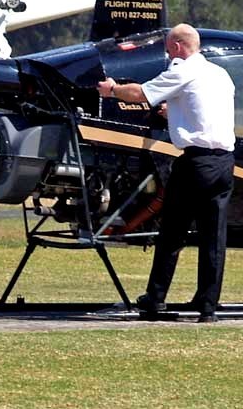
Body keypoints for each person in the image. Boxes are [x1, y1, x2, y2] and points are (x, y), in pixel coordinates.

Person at [97, 24, 235, 322]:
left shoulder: (183, 71)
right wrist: (175, 111)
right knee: (214, 236)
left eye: (168, 48)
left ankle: (155, 298)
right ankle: (208, 306)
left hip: (196, 163)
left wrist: (112, 90)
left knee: (173, 231)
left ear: (177, 47)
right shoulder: (220, 75)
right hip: (225, 162)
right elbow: (203, 109)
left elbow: (140, 94)